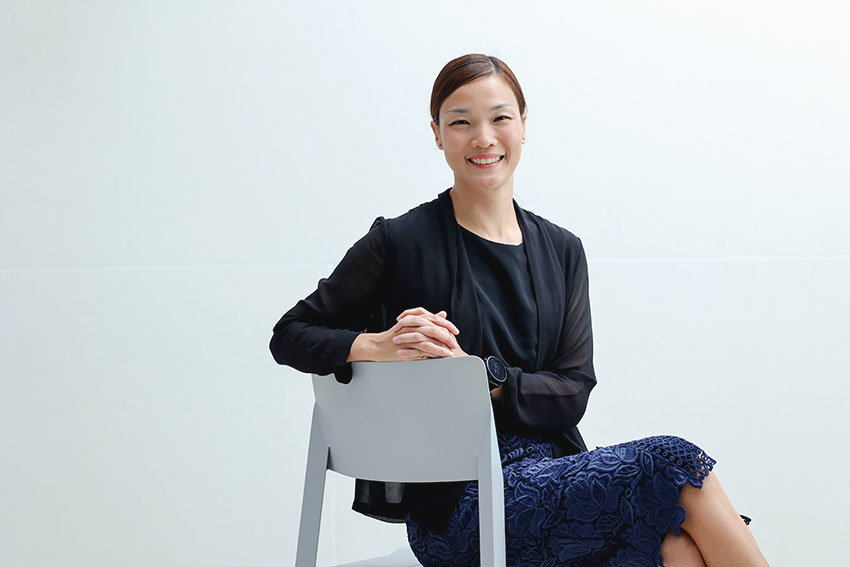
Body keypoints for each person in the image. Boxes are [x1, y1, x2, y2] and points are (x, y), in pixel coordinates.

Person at [270, 54, 768, 567]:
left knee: (677, 550)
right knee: (675, 460)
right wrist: (378, 346)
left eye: (500, 118)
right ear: (437, 134)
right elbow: (289, 333)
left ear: (524, 126)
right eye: (460, 122)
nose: (483, 138)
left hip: (557, 480)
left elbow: (573, 390)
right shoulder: (399, 241)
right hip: (456, 507)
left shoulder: (562, 250)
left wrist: (481, 376)